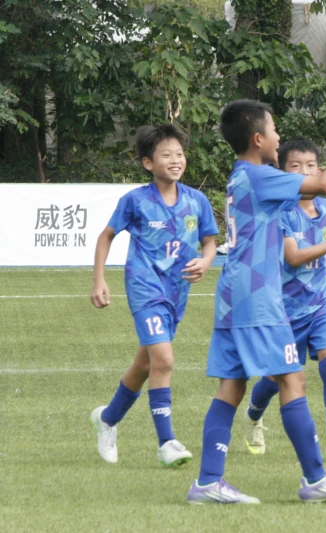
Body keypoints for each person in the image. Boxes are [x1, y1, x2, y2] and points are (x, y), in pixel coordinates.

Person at [186, 100, 326, 505]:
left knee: (232, 386)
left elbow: (313, 195)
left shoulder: (243, 176)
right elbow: (322, 185)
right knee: (293, 380)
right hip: (257, 299)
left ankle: (208, 482)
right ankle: (316, 478)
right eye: (273, 130)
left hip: (234, 296)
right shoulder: (259, 176)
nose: (278, 137)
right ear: (258, 139)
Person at [90, 124, 218, 468]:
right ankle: (167, 442)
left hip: (178, 292)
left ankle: (107, 419)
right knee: (164, 359)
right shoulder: (136, 201)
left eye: (179, 154)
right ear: (148, 163)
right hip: (144, 287)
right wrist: (99, 280)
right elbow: (106, 236)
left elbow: (210, 242)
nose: (175, 160)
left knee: (145, 364)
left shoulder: (197, 200)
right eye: (166, 155)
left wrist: (206, 261)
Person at [243, 139, 326, 465]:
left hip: (322, 299)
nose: (304, 172)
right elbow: (294, 257)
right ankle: (253, 416)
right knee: (275, 380)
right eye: (295, 167)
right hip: (286, 309)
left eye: (310, 166)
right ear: (282, 175)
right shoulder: (280, 211)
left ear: (320, 170)